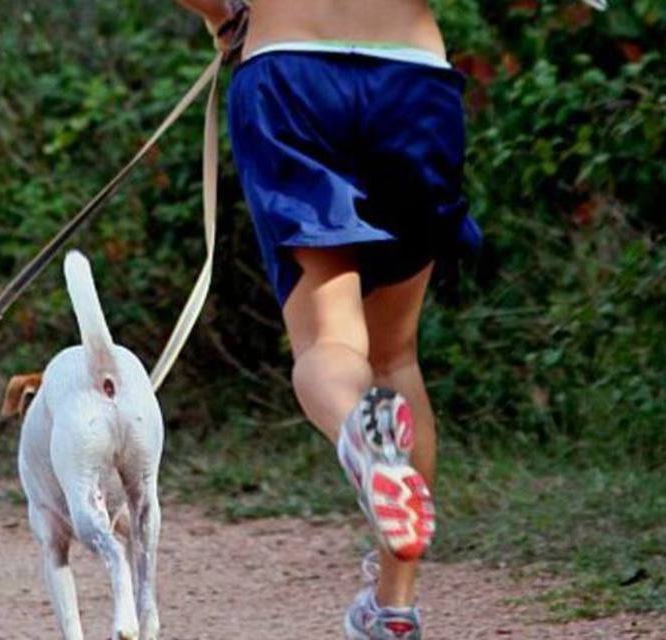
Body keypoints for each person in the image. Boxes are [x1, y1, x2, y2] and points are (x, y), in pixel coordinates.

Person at [175, 1, 476, 637]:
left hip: (292, 72)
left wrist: (226, 17)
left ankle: (363, 440)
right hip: (413, 77)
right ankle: (394, 604)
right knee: (395, 357)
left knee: (330, 339)